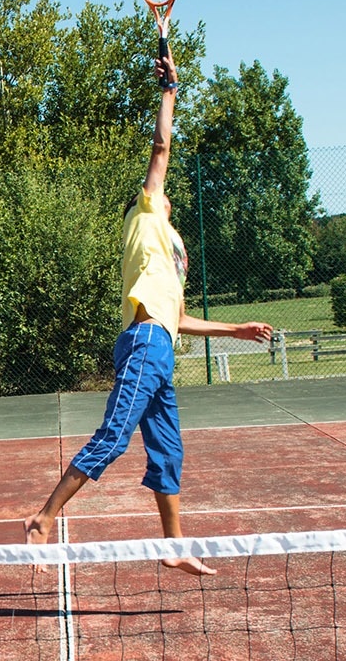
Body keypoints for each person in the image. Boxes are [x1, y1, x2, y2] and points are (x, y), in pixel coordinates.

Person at [23, 50, 274, 568]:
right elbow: (161, 147)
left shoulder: (172, 253)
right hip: (143, 344)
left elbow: (177, 318)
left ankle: (173, 547)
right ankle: (42, 519)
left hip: (161, 346)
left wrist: (236, 328)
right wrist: (169, 91)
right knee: (113, 437)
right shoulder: (146, 213)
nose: (163, 193)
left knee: (168, 451)